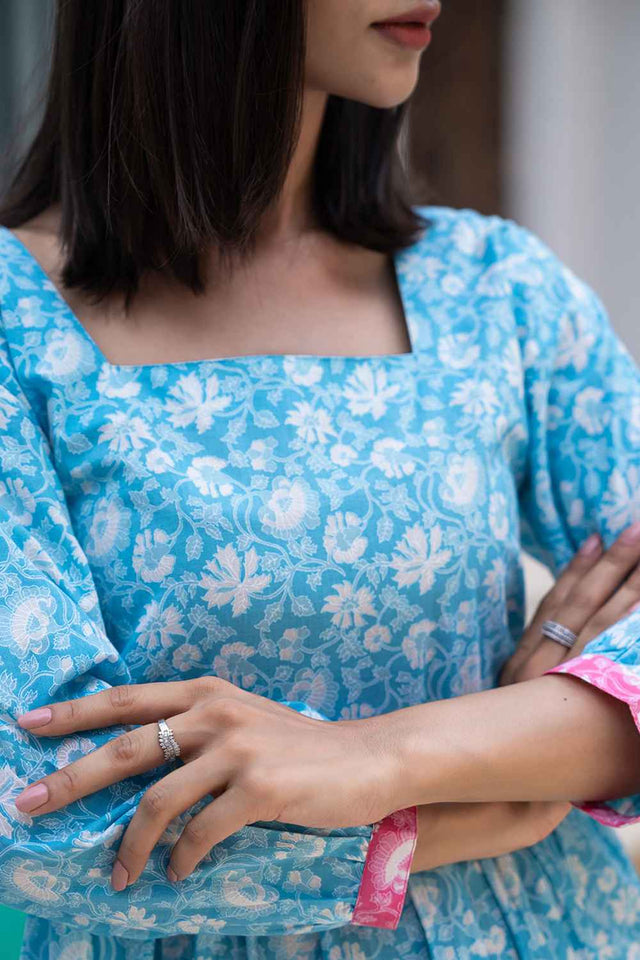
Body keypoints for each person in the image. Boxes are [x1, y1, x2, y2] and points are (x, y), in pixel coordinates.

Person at [1, 0, 640, 957]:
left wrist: (378, 757)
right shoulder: (16, 323)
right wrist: (501, 797)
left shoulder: (496, 288)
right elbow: (39, 812)